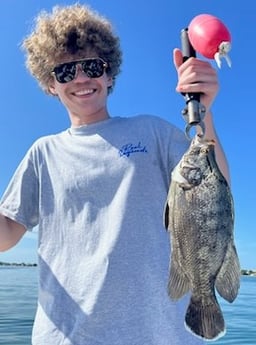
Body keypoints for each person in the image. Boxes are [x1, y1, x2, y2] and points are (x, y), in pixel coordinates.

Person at [0, 4, 229, 345]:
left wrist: (205, 109)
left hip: (163, 335)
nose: (80, 78)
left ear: (109, 74)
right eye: (65, 72)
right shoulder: (42, 153)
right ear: (50, 84)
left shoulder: (152, 132)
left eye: (92, 66)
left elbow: (215, 185)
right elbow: (6, 236)